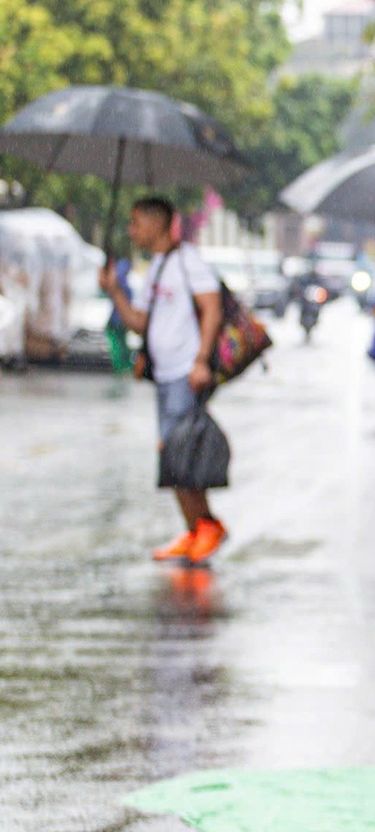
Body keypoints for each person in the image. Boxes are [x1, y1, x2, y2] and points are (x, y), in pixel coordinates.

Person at [98, 197, 227, 563]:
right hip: (165, 375)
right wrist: (115, 291)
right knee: (171, 454)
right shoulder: (155, 268)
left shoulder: (188, 261)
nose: (131, 230)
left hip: (187, 373)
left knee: (182, 454)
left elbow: (212, 309)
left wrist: (201, 360)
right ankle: (195, 529)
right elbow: (140, 322)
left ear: (159, 223)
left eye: (136, 222)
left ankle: (207, 526)